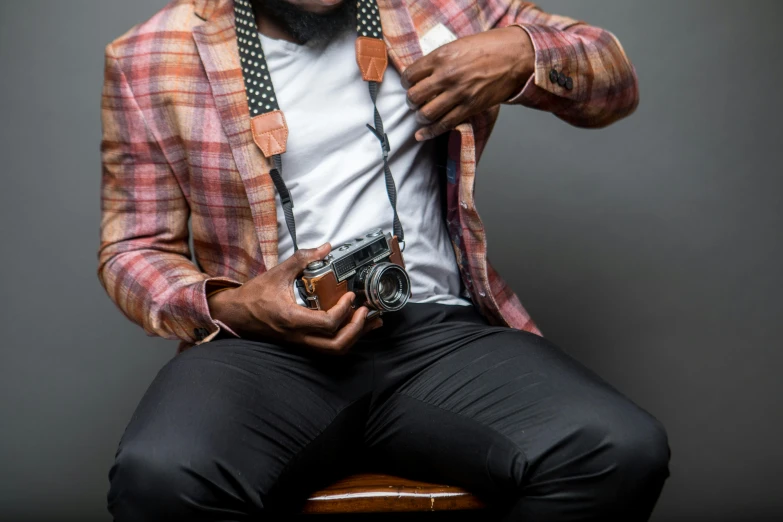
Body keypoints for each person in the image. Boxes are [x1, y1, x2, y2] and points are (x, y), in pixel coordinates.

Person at [99, 0, 669, 520]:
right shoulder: (149, 55)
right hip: (263, 349)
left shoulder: (445, 9)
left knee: (618, 449)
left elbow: (615, 83)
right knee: (160, 475)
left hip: (437, 338)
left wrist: (524, 51)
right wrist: (235, 305)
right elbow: (133, 248)